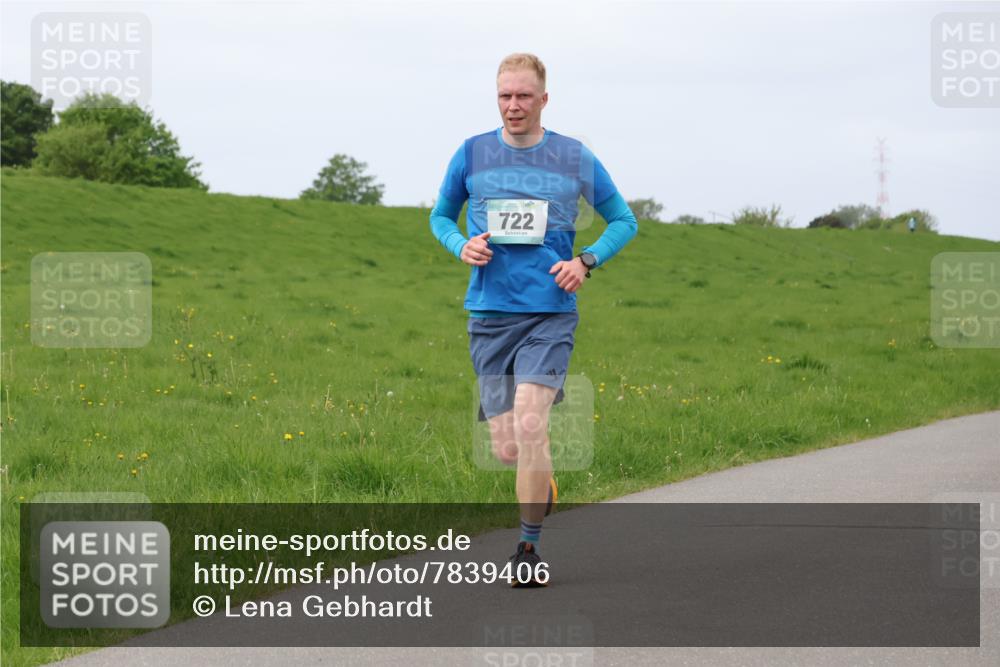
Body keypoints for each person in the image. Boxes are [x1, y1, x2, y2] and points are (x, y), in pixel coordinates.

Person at [429, 53, 638, 586]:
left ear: (544, 99)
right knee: (508, 447)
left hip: (549, 312)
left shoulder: (572, 156)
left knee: (530, 422)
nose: (513, 105)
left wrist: (585, 261)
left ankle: (527, 547)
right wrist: (460, 245)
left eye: (524, 95)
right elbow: (439, 216)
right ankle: (539, 487)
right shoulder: (472, 153)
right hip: (490, 316)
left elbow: (623, 219)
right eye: (505, 95)